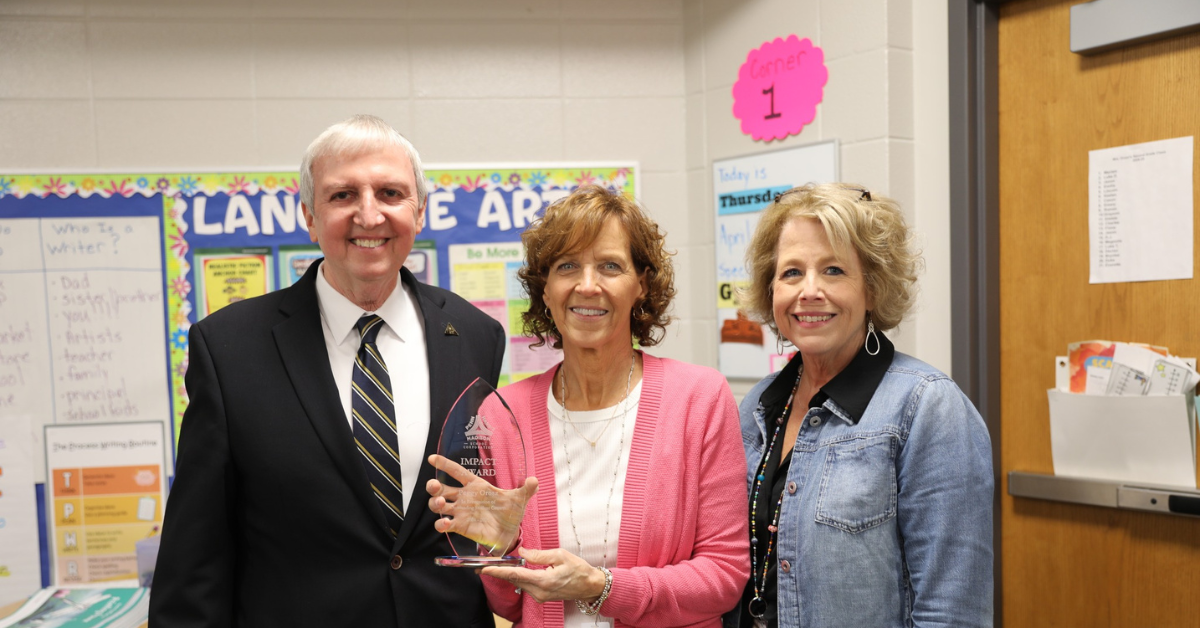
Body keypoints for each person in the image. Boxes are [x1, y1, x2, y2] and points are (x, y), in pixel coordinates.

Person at [149, 115, 506, 627]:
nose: (369, 214)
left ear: (419, 211)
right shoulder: (229, 348)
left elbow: (472, 511)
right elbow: (195, 558)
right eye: (342, 196)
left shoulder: (474, 336)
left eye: (389, 192)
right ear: (309, 217)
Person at [426, 186, 750, 627]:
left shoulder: (700, 399)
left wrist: (604, 588)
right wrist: (497, 550)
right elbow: (509, 605)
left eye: (610, 266)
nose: (587, 285)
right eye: (567, 266)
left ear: (641, 284)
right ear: (545, 289)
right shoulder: (503, 415)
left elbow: (725, 576)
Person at [732, 183, 993, 628]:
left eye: (833, 270)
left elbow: (952, 611)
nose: (809, 291)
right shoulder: (759, 405)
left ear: (872, 289)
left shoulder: (927, 407)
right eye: (791, 273)